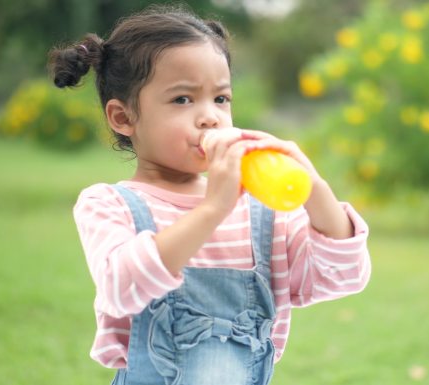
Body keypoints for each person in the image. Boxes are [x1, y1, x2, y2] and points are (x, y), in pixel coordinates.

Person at [49, 5, 371, 385]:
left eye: (220, 99)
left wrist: (314, 188)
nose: (210, 117)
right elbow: (121, 287)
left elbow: (342, 276)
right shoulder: (109, 205)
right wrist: (214, 208)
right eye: (183, 100)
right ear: (123, 118)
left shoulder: (262, 210)